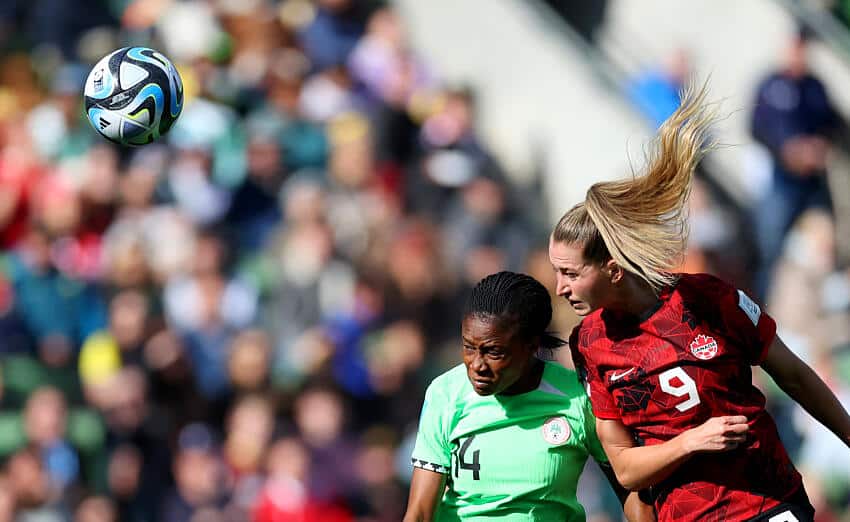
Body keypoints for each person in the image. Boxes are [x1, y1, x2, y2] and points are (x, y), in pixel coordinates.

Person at [549, 81, 850, 521]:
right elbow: (627, 470)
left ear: (612, 269)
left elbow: (795, 376)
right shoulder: (590, 343)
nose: (560, 286)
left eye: (571, 273)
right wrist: (693, 440)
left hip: (766, 499)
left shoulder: (707, 298)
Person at [403, 271, 653, 521]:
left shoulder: (577, 397)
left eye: (494, 352)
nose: (477, 364)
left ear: (532, 345)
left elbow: (629, 486)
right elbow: (420, 513)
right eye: (469, 347)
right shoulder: (445, 393)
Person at [750, 27, 843, 301]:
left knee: (825, 244)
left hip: (813, 181)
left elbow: (834, 126)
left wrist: (818, 147)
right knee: (771, 246)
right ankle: (760, 307)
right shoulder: (770, 85)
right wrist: (786, 151)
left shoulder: (815, 87)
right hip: (783, 180)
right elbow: (756, 127)